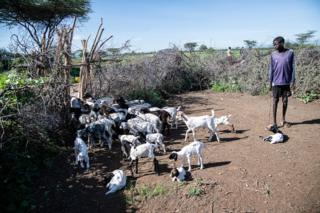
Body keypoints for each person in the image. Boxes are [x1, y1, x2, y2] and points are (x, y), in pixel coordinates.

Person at [266, 36, 295, 132]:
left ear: (282, 43)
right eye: (273, 44)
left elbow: (293, 68)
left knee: (285, 101)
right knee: (275, 102)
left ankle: (283, 120)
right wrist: (270, 83)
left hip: (286, 82)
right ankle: (274, 123)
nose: (274, 46)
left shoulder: (290, 53)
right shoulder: (273, 55)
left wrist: (293, 82)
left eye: (276, 44)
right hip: (276, 82)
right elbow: (271, 69)